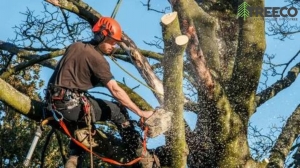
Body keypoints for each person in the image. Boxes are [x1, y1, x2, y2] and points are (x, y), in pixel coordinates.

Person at [46, 17, 156, 168]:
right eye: (111, 41)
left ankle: (74, 158)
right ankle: (142, 158)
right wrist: (140, 112)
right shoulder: (97, 59)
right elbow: (115, 90)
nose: (114, 46)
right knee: (118, 110)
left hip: (52, 105)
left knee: (83, 126)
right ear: (101, 36)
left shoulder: (75, 46)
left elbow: (73, 76)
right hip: (70, 106)